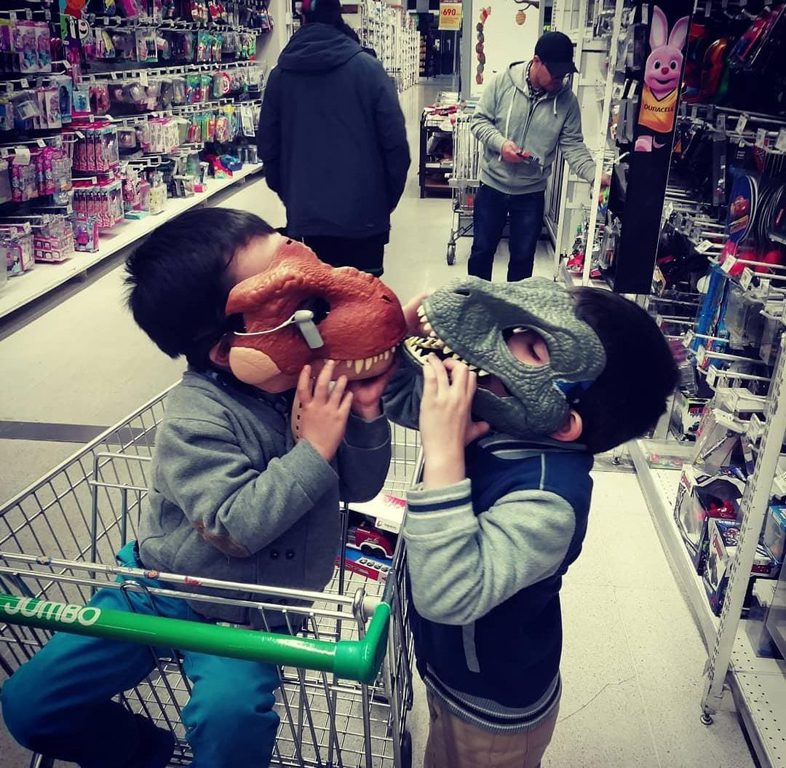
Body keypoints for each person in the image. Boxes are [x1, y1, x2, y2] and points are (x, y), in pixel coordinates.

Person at [1, 209, 395, 768]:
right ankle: (147, 752)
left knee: (230, 718)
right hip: (157, 591)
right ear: (226, 349)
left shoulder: (309, 380)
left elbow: (361, 484)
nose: (315, 311)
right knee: (30, 705)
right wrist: (313, 450)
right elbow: (234, 527)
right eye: (294, 307)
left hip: (253, 616)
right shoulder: (195, 417)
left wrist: (364, 415)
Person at [384, 277, 678, 768]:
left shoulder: (549, 501)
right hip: (449, 670)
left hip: (491, 713)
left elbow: (448, 593)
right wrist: (398, 337)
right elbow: (400, 399)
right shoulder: (502, 413)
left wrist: (444, 451)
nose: (506, 336)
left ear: (563, 420)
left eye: (532, 348)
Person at [258, 0, 410, 278]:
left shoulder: (280, 76)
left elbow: (268, 147)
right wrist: (384, 200)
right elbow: (396, 146)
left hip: (307, 219)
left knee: (317, 291)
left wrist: (292, 196)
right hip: (365, 217)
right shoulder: (369, 70)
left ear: (302, 20)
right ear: (339, 17)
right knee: (363, 295)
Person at [469, 31, 602, 282]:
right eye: (555, 74)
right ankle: (477, 301)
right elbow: (479, 121)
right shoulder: (502, 83)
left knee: (523, 260)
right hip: (492, 186)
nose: (560, 80)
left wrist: (596, 176)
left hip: (531, 194)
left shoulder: (567, 102)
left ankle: (516, 307)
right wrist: (501, 145)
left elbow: (573, 145)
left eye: (564, 75)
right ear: (537, 61)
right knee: (481, 252)